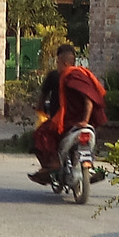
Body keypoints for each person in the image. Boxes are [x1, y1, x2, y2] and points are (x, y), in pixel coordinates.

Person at [28, 44, 107, 185]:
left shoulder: (70, 77)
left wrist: (84, 120)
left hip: (70, 122)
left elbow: (88, 100)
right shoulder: (82, 74)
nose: (57, 66)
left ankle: (54, 164)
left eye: (58, 63)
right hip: (77, 122)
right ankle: (88, 165)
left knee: (41, 135)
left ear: (64, 63)